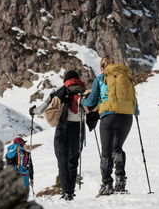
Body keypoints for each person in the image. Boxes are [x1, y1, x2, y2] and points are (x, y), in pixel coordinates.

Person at [81, 56, 139, 196]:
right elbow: (134, 104)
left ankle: (107, 184)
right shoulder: (125, 76)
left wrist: (82, 101)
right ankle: (120, 181)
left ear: (102, 67)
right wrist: (134, 113)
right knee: (117, 148)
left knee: (106, 151)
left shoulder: (100, 79)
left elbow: (91, 101)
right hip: (126, 118)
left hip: (109, 117)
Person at [32, 71, 86, 201]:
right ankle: (71, 192)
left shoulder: (59, 90)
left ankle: (66, 192)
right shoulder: (83, 92)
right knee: (73, 160)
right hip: (79, 128)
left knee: (62, 159)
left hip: (63, 128)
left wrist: (32, 111)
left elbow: (40, 110)